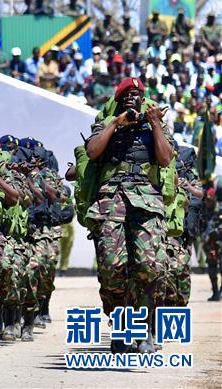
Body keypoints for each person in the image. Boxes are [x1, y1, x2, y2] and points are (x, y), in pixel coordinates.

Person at [84, 77, 173, 354]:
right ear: (121, 99)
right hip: (111, 200)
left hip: (146, 201)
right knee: (112, 267)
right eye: (128, 94)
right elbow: (92, 151)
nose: (133, 97)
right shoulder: (107, 123)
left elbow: (166, 158)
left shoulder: (155, 125)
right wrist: (116, 123)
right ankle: (121, 327)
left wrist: (155, 123)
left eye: (138, 94)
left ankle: (145, 327)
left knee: (148, 267)